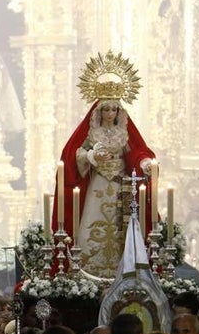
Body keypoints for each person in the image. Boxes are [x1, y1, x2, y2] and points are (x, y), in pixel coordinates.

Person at [53, 65, 156, 278]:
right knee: (92, 224)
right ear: (99, 111)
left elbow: (136, 152)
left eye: (113, 110)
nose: (110, 114)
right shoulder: (93, 132)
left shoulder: (123, 132)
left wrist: (145, 162)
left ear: (119, 112)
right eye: (106, 110)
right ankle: (89, 269)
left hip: (120, 188)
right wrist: (91, 156)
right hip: (97, 185)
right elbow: (75, 152)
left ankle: (123, 269)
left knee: (121, 227)